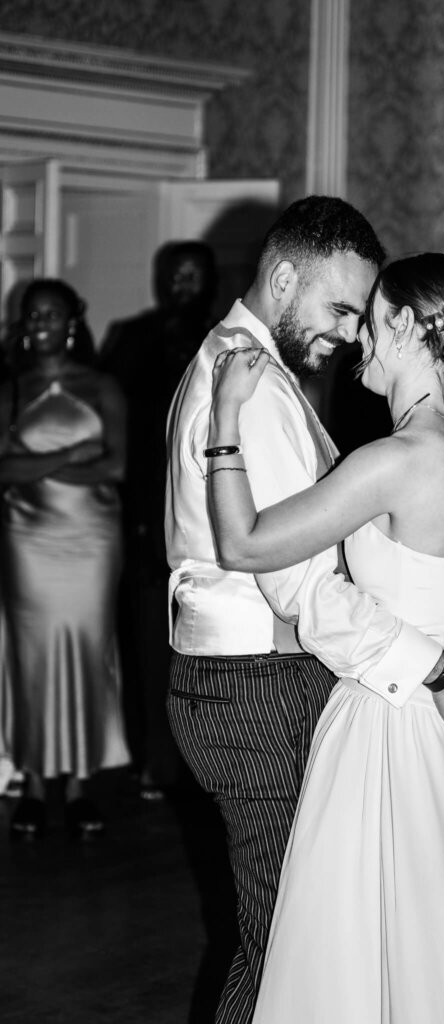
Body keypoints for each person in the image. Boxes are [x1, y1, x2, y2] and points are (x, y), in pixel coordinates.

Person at [205, 252, 444, 1023]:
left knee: (369, 943)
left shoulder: (394, 459)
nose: (357, 345)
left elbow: (244, 545)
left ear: (410, 326)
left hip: (387, 724)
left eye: (371, 323)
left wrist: (223, 418)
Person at [165, 198, 444, 1024]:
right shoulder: (254, 386)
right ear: (283, 279)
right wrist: (436, 661)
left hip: (351, 696)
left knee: (326, 944)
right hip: (261, 691)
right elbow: (299, 586)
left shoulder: (276, 389)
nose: (351, 335)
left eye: (363, 316)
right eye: (339, 308)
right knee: (295, 944)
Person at [0, 279, 129, 839]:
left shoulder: (101, 386)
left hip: (92, 537)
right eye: (31, 316)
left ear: (72, 321)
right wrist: (75, 453)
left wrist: (37, 463)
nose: (40, 323)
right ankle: (30, 782)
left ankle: (78, 784)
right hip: (25, 537)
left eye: (50, 314)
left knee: (86, 648)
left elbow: (116, 467)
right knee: (29, 654)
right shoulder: (10, 389)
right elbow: (1, 471)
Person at [101, 241, 218, 797]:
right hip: (146, 516)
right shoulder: (131, 337)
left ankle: (204, 767)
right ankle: (153, 761)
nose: (180, 286)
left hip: (216, 519)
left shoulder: (226, 342)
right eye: (172, 275)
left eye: (192, 276)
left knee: (208, 646)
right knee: (148, 644)